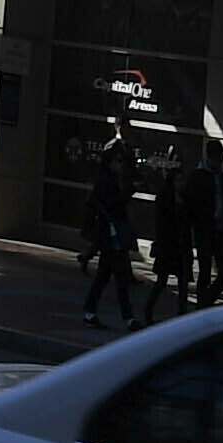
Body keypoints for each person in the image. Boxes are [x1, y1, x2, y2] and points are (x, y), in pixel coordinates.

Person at [153, 136, 223, 311]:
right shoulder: (197, 178)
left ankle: (205, 301)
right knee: (204, 271)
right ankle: (201, 304)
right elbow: (190, 206)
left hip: (219, 230)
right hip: (204, 230)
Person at [75, 126, 143, 328]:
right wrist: (129, 191)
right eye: (118, 161)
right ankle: (127, 317)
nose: (120, 165)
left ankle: (91, 311)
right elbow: (114, 205)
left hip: (110, 236)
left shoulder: (109, 180)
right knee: (119, 278)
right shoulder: (106, 182)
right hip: (110, 235)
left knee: (105, 276)